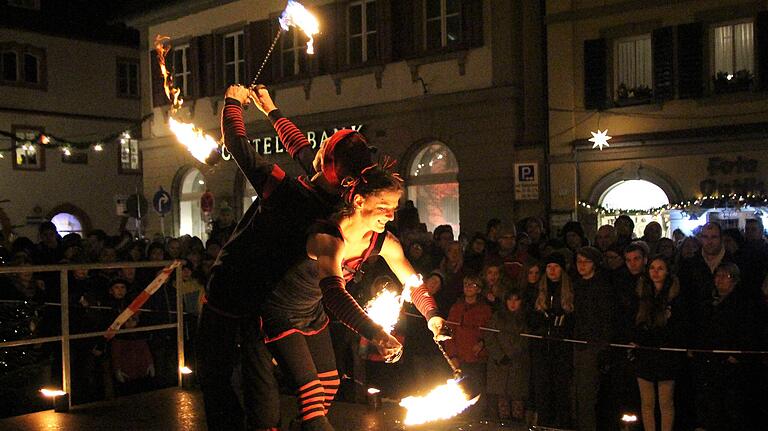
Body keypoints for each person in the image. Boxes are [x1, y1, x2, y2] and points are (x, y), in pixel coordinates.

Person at [199, 85, 445, 431]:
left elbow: (245, 148)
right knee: (270, 399)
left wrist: (233, 105)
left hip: (253, 296)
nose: (388, 216)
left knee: (241, 392)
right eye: (384, 208)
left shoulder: (291, 189)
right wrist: (271, 110)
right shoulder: (335, 203)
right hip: (250, 298)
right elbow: (303, 150)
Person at [260, 156, 445, 430]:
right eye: (382, 206)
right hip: (279, 313)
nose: (390, 214)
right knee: (310, 389)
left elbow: (413, 281)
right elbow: (334, 295)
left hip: (312, 316)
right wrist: (376, 334)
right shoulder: (327, 237)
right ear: (358, 201)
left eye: (393, 207)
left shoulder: (384, 241)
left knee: (330, 382)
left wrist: (432, 316)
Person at [632, 256, 687, 431]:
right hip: (646, 354)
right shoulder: (642, 295)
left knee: (665, 402)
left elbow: (678, 328)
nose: (655, 272)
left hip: (666, 355)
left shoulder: (675, 297)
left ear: (668, 271)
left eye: (660, 268)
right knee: (647, 402)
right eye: (652, 268)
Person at [572, 246, 614, 431]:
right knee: (577, 392)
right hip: (578, 342)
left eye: (586, 261)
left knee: (588, 392)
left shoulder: (602, 286)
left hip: (593, 344)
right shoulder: (576, 284)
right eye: (579, 261)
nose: (581, 265)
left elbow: (605, 318)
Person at [530, 252, 574, 429]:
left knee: (561, 390)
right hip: (542, 347)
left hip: (561, 349)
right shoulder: (539, 290)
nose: (552, 270)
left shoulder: (569, 290)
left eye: (556, 267)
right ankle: (543, 424)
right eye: (549, 267)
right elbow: (531, 317)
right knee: (542, 391)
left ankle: (562, 425)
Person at [444, 273, 493, 418]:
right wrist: (452, 355)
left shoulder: (485, 310)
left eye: (473, 285)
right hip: (460, 359)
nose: (469, 288)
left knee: (477, 394)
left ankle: (476, 422)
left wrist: (482, 344)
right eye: (466, 285)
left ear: (479, 289)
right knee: (460, 392)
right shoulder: (456, 308)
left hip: (477, 359)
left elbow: (490, 333)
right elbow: (448, 334)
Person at [485, 287, 529, 421]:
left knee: (517, 403)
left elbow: (525, 340)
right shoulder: (497, 317)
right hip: (499, 366)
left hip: (517, 365)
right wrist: (500, 356)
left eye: (516, 300)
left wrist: (511, 354)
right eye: (510, 299)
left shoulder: (525, 318)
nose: (513, 303)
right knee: (502, 403)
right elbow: (489, 337)